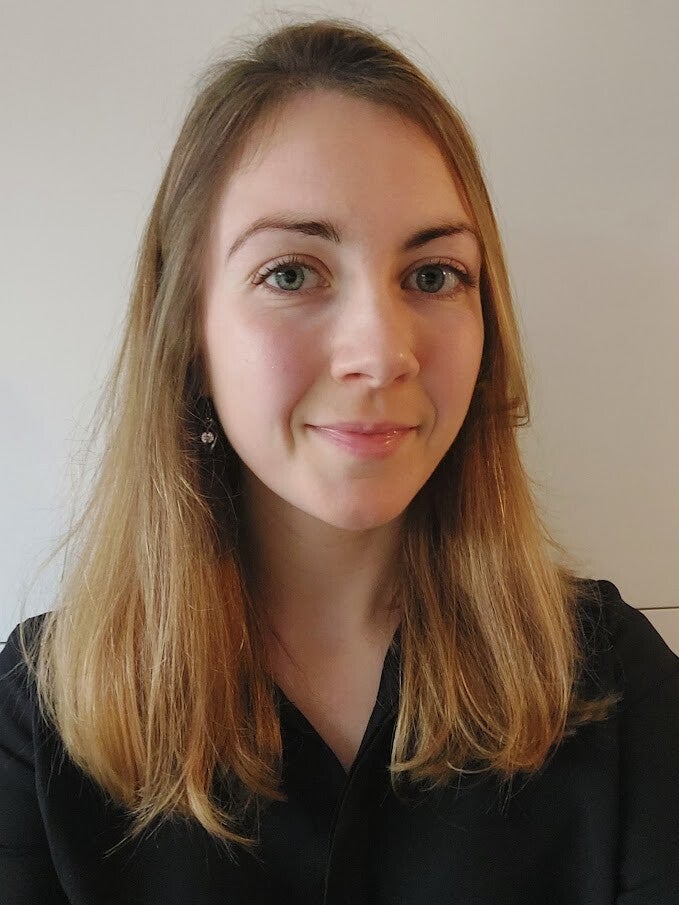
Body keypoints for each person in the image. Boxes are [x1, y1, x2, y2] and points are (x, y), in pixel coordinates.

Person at [1, 16, 677, 905]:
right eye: (291, 272)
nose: (381, 352)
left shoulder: (614, 682)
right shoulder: (40, 721)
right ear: (188, 334)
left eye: (432, 275)